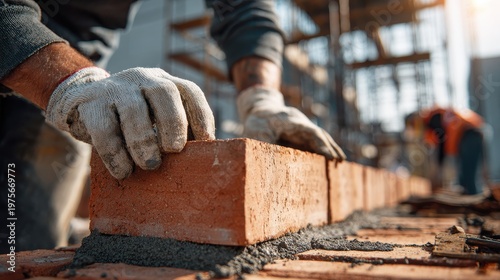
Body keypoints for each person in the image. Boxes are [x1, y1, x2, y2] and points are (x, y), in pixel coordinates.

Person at [0, 0, 345, 252]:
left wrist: (261, 99)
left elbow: (245, 10)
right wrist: (72, 81)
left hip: (68, 77)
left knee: (20, 243)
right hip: (34, 51)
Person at [405, 106, 484, 195]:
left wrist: (439, 165)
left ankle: (473, 198)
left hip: (470, 134)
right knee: (463, 173)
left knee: (468, 172)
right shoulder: (433, 120)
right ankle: (469, 195)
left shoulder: (434, 118)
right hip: (467, 136)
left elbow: (442, 143)